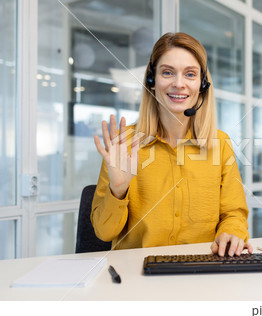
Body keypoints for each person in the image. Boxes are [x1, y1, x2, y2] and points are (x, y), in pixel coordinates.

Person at [91, 32, 252, 257]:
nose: (179, 84)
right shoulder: (123, 144)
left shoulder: (220, 144)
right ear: (152, 81)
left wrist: (232, 233)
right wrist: (117, 191)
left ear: (202, 85)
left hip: (203, 271)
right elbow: (104, 232)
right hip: (137, 275)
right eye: (167, 72)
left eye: (190, 74)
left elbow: (234, 214)